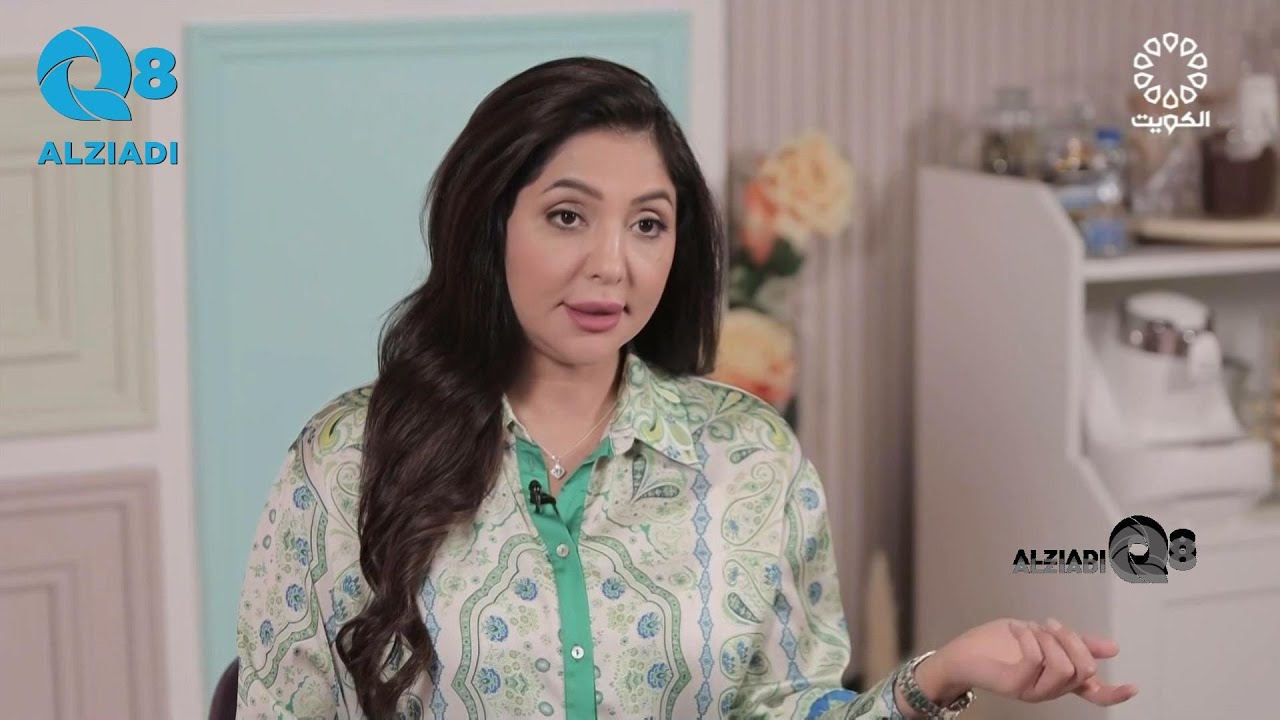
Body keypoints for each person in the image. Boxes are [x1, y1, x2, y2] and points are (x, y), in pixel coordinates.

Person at [234, 57, 1138, 719]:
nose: (612, 264)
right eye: (566, 216)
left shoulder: (750, 456)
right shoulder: (345, 460)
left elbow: (791, 708)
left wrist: (942, 672)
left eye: (648, 224)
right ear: (488, 223)